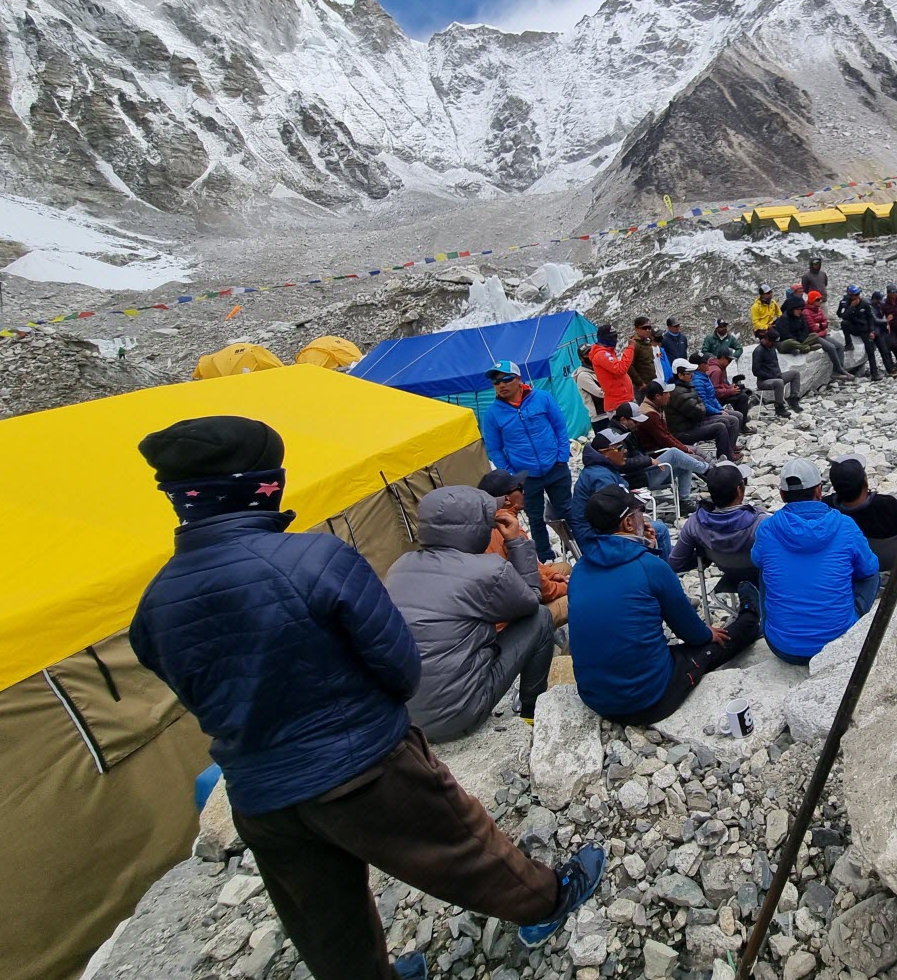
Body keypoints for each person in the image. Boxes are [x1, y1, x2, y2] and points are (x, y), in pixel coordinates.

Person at [128, 417, 604, 979]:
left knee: (324, 916)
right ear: (263, 485)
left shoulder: (155, 601)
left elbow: (195, 690)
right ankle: (547, 903)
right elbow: (400, 666)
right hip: (358, 765)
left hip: (258, 793)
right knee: (464, 850)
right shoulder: (315, 561)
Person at [570, 487, 759, 725]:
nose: (645, 518)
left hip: (595, 697)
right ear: (629, 523)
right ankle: (751, 616)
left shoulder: (579, 570)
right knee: (719, 641)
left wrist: (644, 548)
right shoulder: (649, 567)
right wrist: (707, 633)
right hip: (649, 700)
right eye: (641, 512)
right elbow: (691, 634)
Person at [383, 486, 555, 736]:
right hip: (458, 715)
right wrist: (516, 542)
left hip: (406, 716)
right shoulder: (488, 571)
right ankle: (531, 711)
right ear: (480, 527)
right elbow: (532, 601)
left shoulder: (399, 567)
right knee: (541, 618)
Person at [750, 459, 881, 665]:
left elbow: (756, 559)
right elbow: (870, 569)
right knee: (870, 573)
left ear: (782, 494)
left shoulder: (767, 529)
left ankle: (773, 626)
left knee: (765, 569)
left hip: (783, 648)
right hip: (838, 644)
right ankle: (848, 622)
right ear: (819, 491)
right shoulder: (845, 525)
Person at [478, 360, 573, 563]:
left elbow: (560, 427)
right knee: (535, 518)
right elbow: (494, 449)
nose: (501, 385)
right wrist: (512, 475)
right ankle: (546, 557)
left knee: (566, 510)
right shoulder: (492, 415)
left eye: (506, 379)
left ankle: (579, 546)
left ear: (519, 379)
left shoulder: (542, 398)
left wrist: (562, 456)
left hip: (556, 467)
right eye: (496, 382)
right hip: (526, 477)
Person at [477, 470, 569, 626]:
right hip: (509, 621)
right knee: (576, 596)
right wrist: (564, 587)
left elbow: (531, 566)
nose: (524, 492)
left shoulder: (487, 520)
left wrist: (553, 575)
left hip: (509, 594)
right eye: (519, 488)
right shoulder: (508, 528)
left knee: (563, 568)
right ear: (506, 499)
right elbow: (540, 588)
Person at [668, 463, 766, 603]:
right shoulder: (761, 522)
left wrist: (702, 555)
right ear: (739, 490)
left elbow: (675, 563)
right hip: (763, 578)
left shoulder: (695, 523)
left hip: (729, 573)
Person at [569, 427, 673, 556]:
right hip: (596, 540)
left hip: (597, 533)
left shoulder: (602, 468)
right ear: (604, 453)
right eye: (618, 448)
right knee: (660, 530)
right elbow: (612, 518)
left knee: (652, 528)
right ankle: (664, 571)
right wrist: (638, 527)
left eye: (623, 446)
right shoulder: (601, 477)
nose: (625, 451)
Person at [611, 402, 708, 515]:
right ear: (623, 419)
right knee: (674, 453)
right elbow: (623, 464)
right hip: (640, 477)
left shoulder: (627, 431)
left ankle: (684, 501)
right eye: (635, 421)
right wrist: (648, 460)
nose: (638, 424)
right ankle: (708, 470)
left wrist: (648, 460)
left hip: (644, 470)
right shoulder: (617, 438)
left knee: (684, 464)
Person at [827, 454, 897, 556]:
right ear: (866, 481)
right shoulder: (887, 507)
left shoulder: (826, 512)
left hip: (851, 566)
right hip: (896, 561)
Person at [667, 358, 740, 461]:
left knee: (728, 420)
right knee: (720, 427)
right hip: (685, 431)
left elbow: (701, 402)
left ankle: (728, 453)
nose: (692, 375)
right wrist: (703, 406)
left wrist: (702, 405)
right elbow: (699, 412)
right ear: (680, 375)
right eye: (689, 373)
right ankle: (726, 459)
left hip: (692, 423)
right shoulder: (678, 392)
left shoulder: (687, 386)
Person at [838, 284, 891, 379]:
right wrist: (851, 307)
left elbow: (870, 318)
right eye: (855, 294)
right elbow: (842, 315)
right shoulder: (845, 303)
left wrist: (871, 331)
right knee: (844, 323)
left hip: (864, 329)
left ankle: (874, 373)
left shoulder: (865, 303)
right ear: (850, 295)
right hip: (853, 327)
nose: (857, 296)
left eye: (858, 294)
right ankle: (849, 343)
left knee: (870, 350)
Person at [688, 350, 747, 433]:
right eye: (705, 362)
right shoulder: (708, 375)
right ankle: (734, 437)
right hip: (708, 411)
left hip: (714, 406)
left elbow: (713, 395)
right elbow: (707, 400)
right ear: (698, 366)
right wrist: (719, 411)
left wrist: (720, 409)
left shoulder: (705, 375)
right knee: (735, 415)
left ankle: (733, 442)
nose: (708, 363)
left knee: (738, 415)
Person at [804, 291, 856, 378]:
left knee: (840, 346)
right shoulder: (806, 312)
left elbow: (825, 323)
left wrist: (820, 325)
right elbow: (813, 328)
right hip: (814, 336)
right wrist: (821, 325)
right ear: (812, 301)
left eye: (820, 299)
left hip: (822, 333)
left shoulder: (818, 309)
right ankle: (839, 370)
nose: (820, 301)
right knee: (831, 347)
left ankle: (838, 370)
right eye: (817, 300)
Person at [752, 327, 802, 415]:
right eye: (773, 342)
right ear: (767, 339)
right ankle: (779, 407)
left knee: (795, 373)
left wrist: (777, 374)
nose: (774, 345)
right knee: (779, 382)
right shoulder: (758, 351)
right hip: (764, 381)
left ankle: (793, 399)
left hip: (776, 376)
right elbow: (755, 371)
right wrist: (772, 376)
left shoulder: (771, 348)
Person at [589, 325, 637, 412]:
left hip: (623, 400)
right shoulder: (601, 354)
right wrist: (630, 348)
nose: (615, 339)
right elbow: (620, 369)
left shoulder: (608, 352)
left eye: (616, 336)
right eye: (612, 337)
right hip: (618, 403)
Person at [700, 349, 754, 424]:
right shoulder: (717, 371)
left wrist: (730, 387)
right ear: (722, 358)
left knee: (739, 394)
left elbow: (720, 384)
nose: (730, 362)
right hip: (714, 400)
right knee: (742, 397)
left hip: (714, 398)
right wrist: (731, 391)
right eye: (729, 360)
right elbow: (715, 391)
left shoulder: (715, 367)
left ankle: (740, 418)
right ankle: (742, 424)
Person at [628, 317, 659, 390]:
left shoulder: (647, 342)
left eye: (649, 328)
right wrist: (640, 383)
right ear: (636, 329)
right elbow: (629, 366)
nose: (647, 330)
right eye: (644, 328)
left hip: (652, 383)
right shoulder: (634, 345)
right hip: (642, 386)